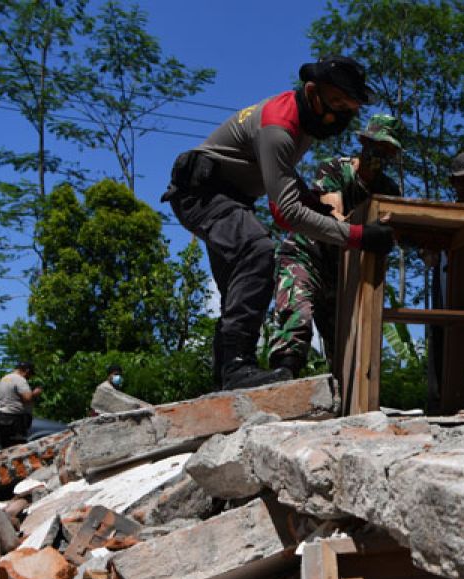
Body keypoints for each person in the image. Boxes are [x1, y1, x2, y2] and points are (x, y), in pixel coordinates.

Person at [163, 56, 396, 390]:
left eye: (350, 107)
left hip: (230, 198)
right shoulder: (280, 125)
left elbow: (283, 176)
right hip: (201, 193)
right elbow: (286, 213)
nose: (341, 114)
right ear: (313, 91)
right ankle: (236, 368)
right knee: (256, 251)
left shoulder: (306, 123)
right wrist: (359, 236)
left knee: (239, 287)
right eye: (336, 103)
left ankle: (225, 376)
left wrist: (311, 199)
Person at [267, 113, 404, 377]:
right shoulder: (334, 168)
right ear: (364, 142)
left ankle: (343, 403)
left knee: (344, 346)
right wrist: (365, 231)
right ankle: (282, 376)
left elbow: (394, 229)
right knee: (296, 319)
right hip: (306, 255)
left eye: (388, 151)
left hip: (341, 272)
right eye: (378, 147)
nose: (381, 155)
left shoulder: (388, 189)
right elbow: (333, 215)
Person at [0, 361, 42, 448]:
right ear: (27, 371)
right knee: (17, 448)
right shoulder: (20, 380)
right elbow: (27, 398)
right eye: (31, 374)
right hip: (15, 420)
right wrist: (35, 393)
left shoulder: (4, 378)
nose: (30, 377)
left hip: (2, 417)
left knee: (6, 447)